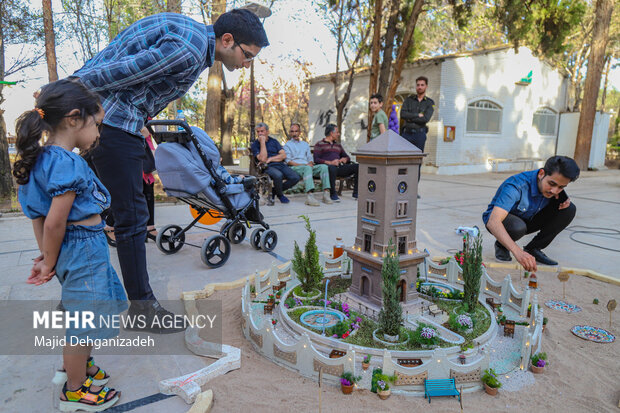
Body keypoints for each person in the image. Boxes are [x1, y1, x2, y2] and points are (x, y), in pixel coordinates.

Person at [70, 10, 269, 330]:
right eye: (247, 56)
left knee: (103, 208)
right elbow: (127, 70)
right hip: (114, 123)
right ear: (227, 40)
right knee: (133, 218)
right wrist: (72, 85)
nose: (246, 64)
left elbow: (129, 62)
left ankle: (93, 291)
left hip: (113, 119)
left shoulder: (188, 35)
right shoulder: (189, 49)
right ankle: (141, 310)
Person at [13, 79, 126, 411]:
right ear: (75, 119)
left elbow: (38, 217)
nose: (98, 134)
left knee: (82, 309)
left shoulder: (38, 160)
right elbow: (55, 221)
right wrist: (48, 261)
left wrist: (49, 257)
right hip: (84, 250)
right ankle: (75, 390)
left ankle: (80, 367)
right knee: (85, 319)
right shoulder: (68, 162)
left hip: (70, 252)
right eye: (98, 125)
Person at [483, 156, 580, 271]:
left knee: (569, 209)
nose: (554, 191)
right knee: (517, 227)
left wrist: (563, 198)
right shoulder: (516, 185)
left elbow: (557, 189)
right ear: (541, 173)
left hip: (528, 217)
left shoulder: (554, 188)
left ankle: (533, 248)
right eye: (552, 184)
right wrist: (518, 252)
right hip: (503, 221)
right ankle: (502, 244)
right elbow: (493, 222)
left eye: (561, 187)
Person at [283, 123, 332, 206]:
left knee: (324, 167)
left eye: (296, 131)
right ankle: (310, 196)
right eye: (292, 131)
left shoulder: (305, 144)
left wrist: (310, 163)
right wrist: (305, 165)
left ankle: (326, 194)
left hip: (307, 167)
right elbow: (289, 161)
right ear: (290, 133)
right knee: (307, 168)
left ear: (300, 132)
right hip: (295, 167)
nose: (294, 133)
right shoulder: (287, 145)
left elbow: (310, 157)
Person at [399, 76, 434, 191]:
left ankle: (413, 190)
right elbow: (403, 115)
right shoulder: (409, 100)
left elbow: (426, 119)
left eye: (422, 85)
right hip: (406, 135)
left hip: (419, 135)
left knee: (417, 162)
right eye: (418, 85)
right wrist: (417, 115)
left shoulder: (429, 103)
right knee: (402, 161)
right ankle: (401, 187)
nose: (419, 87)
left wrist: (411, 117)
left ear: (426, 86)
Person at [251, 123, 300, 204]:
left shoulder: (274, 141)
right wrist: (262, 143)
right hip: (266, 167)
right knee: (278, 175)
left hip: (279, 164)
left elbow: (283, 155)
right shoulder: (255, 144)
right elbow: (263, 159)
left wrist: (270, 159)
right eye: (258, 131)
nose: (260, 133)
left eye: (262, 131)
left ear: (267, 132)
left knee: (295, 177)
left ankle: (275, 191)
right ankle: (280, 195)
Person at [313, 123, 358, 202]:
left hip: (339, 167)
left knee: (357, 167)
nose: (339, 134)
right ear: (331, 133)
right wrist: (330, 162)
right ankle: (333, 193)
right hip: (328, 168)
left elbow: (347, 157)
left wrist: (344, 159)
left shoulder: (338, 145)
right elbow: (316, 159)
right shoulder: (319, 144)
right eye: (337, 132)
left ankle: (356, 193)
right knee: (332, 168)